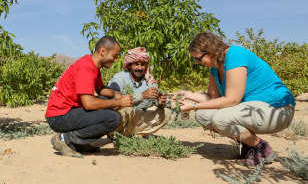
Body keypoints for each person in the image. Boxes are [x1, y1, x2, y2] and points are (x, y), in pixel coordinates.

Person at [178, 32, 296, 166]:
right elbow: (212, 98)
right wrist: (187, 95)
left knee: (220, 118)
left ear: (210, 51)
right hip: (254, 110)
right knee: (203, 115)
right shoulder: (215, 67)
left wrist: (193, 106)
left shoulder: (235, 55)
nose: (198, 63)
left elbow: (232, 100)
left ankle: (262, 148)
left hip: (277, 109)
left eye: (199, 59)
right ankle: (249, 145)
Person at [45, 36, 134, 158]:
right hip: (59, 117)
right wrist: (118, 102)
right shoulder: (85, 68)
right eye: (114, 56)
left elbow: (100, 89)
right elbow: (89, 104)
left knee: (108, 103)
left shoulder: (93, 66)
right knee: (112, 119)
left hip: (68, 112)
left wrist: (114, 94)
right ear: (103, 52)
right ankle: (64, 138)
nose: (115, 60)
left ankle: (79, 142)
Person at [108, 47, 171, 136]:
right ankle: (115, 135)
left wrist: (161, 103)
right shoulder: (119, 78)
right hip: (120, 121)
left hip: (137, 119)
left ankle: (136, 135)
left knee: (166, 112)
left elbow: (167, 104)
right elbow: (112, 101)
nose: (140, 68)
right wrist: (142, 95)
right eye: (136, 64)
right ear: (129, 65)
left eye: (142, 64)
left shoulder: (149, 81)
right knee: (128, 109)